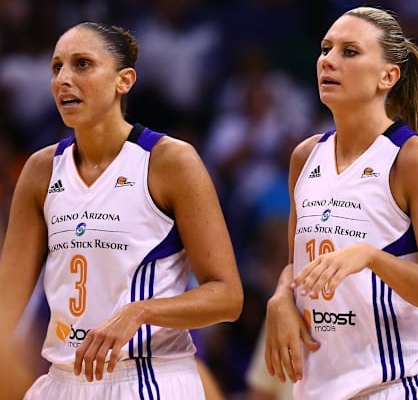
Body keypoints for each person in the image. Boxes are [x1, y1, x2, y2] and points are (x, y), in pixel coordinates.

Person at [0, 22, 244, 399]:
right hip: (63, 380)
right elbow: (7, 302)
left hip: (149, 379)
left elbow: (227, 297)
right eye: (56, 67)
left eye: (82, 64)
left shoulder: (169, 161)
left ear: (124, 80)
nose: (64, 78)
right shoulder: (40, 170)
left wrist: (139, 312)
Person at [263, 6, 418, 400]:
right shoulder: (305, 156)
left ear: (388, 76)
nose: (328, 61)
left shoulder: (413, 159)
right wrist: (281, 296)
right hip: (318, 388)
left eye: (349, 51)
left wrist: (371, 258)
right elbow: (297, 263)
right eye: (325, 49)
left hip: (396, 385)